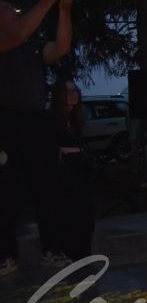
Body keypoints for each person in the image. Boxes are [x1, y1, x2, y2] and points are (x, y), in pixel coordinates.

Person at [0, 0, 75, 275]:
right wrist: (46, 0)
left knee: (48, 187)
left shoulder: (31, 46)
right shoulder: (9, 40)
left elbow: (61, 47)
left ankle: (52, 249)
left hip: (35, 121)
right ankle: (5, 254)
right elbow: (17, 34)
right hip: (4, 121)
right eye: (6, 8)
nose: (13, 9)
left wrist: (64, 9)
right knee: (6, 190)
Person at [50, 78, 95, 262]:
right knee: (70, 215)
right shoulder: (52, 119)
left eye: (75, 90)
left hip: (80, 170)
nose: (74, 94)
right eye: (68, 91)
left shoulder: (76, 119)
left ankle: (84, 255)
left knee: (86, 215)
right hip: (65, 174)